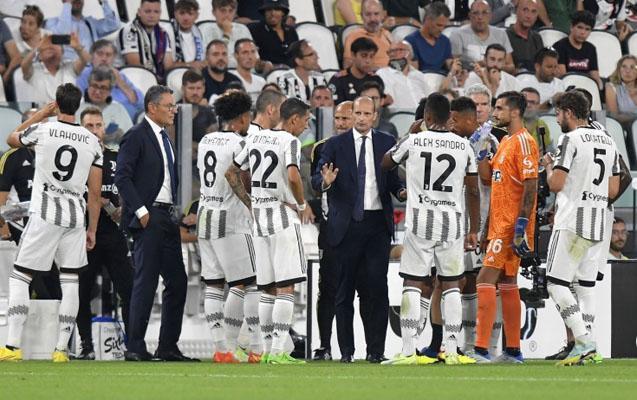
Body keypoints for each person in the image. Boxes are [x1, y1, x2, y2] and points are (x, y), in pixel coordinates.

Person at [0, 84, 103, 362]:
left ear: (56, 104)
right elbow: (95, 193)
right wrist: (92, 229)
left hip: (45, 214)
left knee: (20, 276)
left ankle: (12, 347)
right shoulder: (92, 141)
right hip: (75, 217)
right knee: (70, 281)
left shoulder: (43, 130)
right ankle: (60, 350)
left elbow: (11, 139)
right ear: (78, 106)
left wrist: (40, 115)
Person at [380, 93, 480, 366]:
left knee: (413, 282)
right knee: (451, 284)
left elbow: (386, 163)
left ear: (426, 117)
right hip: (452, 224)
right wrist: (474, 229)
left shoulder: (414, 141)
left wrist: (409, 134)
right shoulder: (464, 146)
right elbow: (473, 190)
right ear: (450, 117)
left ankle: (408, 351)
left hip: (420, 221)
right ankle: (452, 349)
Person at [312, 96, 405, 363]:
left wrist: (400, 191)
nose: (362, 118)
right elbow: (317, 179)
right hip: (345, 226)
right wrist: (325, 182)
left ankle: (376, 351)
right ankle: (346, 352)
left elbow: (392, 179)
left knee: (377, 289)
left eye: (366, 113)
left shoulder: (387, 142)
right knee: (343, 292)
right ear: (352, 115)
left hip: (377, 226)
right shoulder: (334, 145)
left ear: (375, 116)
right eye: (358, 113)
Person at [226, 98, 313, 364]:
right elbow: (293, 176)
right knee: (286, 287)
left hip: (259, 220)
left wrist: (251, 202)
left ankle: (265, 350)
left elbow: (231, 173)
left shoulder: (255, 138)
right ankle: (278, 352)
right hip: (282, 218)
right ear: (294, 119)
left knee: (267, 288)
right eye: (306, 121)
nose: (306, 127)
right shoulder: (290, 141)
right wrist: (301, 204)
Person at [115, 85, 195, 362]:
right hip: (148, 217)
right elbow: (122, 176)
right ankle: (135, 346)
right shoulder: (136, 135)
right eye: (169, 106)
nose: (174, 110)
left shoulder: (165, 137)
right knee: (145, 282)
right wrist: (140, 210)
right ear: (152, 107)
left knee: (178, 281)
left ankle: (167, 346)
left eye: (174, 106)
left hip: (167, 216)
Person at [543, 90, 620, 366]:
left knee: (556, 284)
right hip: (597, 222)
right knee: (585, 287)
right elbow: (612, 189)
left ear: (569, 113)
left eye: (558, 113)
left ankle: (583, 341)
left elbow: (556, 184)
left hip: (571, 221)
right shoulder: (609, 140)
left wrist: (549, 167)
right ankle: (591, 346)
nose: (557, 119)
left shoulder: (570, 139)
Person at [466, 91, 538, 364]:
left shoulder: (525, 142)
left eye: (499, 108)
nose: (494, 113)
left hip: (510, 226)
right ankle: (513, 351)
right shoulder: (506, 141)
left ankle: (480, 349)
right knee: (508, 282)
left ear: (515, 112)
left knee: (484, 279)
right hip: (498, 224)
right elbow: (489, 179)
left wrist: (521, 226)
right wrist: (482, 151)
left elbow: (531, 185)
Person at [197, 91, 261, 363]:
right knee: (252, 281)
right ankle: (257, 347)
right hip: (230, 218)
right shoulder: (240, 143)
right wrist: (251, 204)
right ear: (243, 117)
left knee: (214, 284)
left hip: (205, 215)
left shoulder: (206, 140)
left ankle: (221, 348)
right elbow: (234, 177)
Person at [74, 106, 133, 360]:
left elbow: (129, 189)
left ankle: (133, 343)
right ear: (81, 128)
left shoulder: (116, 157)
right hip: (83, 233)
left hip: (113, 234)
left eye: (98, 125)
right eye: (89, 126)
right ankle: (86, 345)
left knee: (128, 289)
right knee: (81, 292)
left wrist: (123, 209)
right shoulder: (75, 159)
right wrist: (98, 202)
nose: (95, 131)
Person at [0, 112, 62, 302]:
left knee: (53, 290)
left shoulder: (55, 155)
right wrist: (5, 231)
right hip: (19, 229)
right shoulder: (12, 157)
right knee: (30, 287)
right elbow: (1, 198)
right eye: (37, 125)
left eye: (45, 125)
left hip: (47, 228)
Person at [310, 100, 354, 362]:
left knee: (363, 288)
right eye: (338, 118)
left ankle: (367, 348)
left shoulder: (368, 145)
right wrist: (323, 184)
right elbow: (315, 183)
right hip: (331, 227)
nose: (340, 123)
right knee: (327, 288)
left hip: (360, 226)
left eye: (345, 118)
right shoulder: (322, 148)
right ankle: (324, 345)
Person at [76, 40, 144, 120]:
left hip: (131, 119)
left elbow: (140, 103)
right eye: (100, 54)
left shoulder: (119, 75)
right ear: (92, 56)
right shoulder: (85, 74)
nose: (104, 59)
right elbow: (82, 103)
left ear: (114, 58)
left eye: (108, 55)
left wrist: (120, 82)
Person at [20, 32, 89, 104]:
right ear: (39, 56)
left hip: (71, 108)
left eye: (54, 43)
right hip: (44, 110)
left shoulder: (69, 66)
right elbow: (24, 64)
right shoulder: (34, 69)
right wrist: (37, 47)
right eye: (46, 46)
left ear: (62, 52)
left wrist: (78, 47)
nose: (50, 47)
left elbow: (85, 60)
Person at [450, 0, 515, 74]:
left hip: (497, 79)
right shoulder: (458, 34)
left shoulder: (501, 34)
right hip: (469, 78)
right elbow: (453, 65)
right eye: (475, 13)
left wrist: (493, 67)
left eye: (484, 13)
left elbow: (511, 67)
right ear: (470, 16)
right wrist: (476, 65)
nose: (480, 17)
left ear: (490, 16)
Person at [76, 66, 134, 148]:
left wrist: (120, 137)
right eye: (94, 86)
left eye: (103, 88)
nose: (97, 92)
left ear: (110, 91)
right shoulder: (76, 106)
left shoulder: (118, 109)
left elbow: (131, 139)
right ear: (88, 86)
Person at [46, 0, 120, 62]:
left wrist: (103, 2)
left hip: (91, 68)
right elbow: (63, 34)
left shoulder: (90, 23)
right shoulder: (53, 22)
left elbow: (114, 25)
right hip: (69, 69)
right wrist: (67, 4)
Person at [119, 0, 174, 79]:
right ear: (139, 12)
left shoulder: (163, 33)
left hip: (156, 78)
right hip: (132, 78)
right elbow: (135, 66)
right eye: (147, 11)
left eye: (156, 12)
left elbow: (168, 65)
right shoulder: (129, 30)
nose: (152, 15)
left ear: (160, 13)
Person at [376, 40, 432, 112]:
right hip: (399, 115)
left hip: (423, 115)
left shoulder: (419, 75)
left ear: (410, 54)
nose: (393, 54)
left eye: (399, 50)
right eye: (390, 51)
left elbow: (430, 98)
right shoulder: (383, 74)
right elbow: (388, 103)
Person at [553, 11, 602, 90]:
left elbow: (595, 76)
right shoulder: (559, 46)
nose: (583, 32)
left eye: (587, 29)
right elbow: (562, 77)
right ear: (571, 27)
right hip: (566, 90)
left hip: (586, 89)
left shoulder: (591, 48)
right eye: (579, 27)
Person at [329, 37, 385, 104]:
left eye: (371, 56)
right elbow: (335, 107)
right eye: (364, 56)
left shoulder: (376, 80)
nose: (368, 61)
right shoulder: (339, 80)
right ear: (353, 55)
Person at [201, 0, 253, 69]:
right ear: (214, 12)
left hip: (243, 71)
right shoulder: (205, 29)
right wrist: (226, 34)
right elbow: (211, 60)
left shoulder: (243, 29)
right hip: (218, 71)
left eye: (231, 11)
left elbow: (253, 57)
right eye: (223, 10)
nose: (227, 15)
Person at [404, 2, 452, 74]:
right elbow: (413, 74)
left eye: (444, 26)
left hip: (442, 79)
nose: (441, 29)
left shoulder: (445, 41)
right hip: (421, 79)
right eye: (439, 25)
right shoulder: (410, 41)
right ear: (428, 20)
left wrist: (455, 67)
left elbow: (449, 63)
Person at [343, 0, 393, 70]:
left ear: (383, 15)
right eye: (368, 14)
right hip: (372, 75)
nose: (372, 19)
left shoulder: (387, 34)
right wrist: (377, 70)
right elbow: (348, 66)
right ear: (362, 16)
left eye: (376, 14)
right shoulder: (354, 36)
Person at [249, 0, 299, 67]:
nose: (272, 13)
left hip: (292, 71)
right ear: (264, 12)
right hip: (268, 72)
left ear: (283, 12)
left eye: (277, 9)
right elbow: (252, 58)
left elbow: (298, 54)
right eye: (269, 10)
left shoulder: (291, 31)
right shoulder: (255, 31)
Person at [506, 0, 544, 72]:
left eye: (533, 12)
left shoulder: (537, 38)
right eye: (525, 10)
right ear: (516, 11)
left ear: (537, 16)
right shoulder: (505, 36)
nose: (529, 16)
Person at [169, 0, 206, 70]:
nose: (186, 18)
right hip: (175, 74)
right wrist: (190, 65)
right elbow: (167, 66)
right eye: (182, 13)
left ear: (197, 15)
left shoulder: (200, 32)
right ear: (175, 14)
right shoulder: (168, 31)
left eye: (190, 14)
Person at [232, 39, 266, 103]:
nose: (250, 57)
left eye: (253, 52)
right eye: (245, 52)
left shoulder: (261, 81)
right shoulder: (231, 80)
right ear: (236, 55)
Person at [605, 55, 637, 120]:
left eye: (632, 67)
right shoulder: (611, 87)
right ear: (619, 69)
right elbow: (614, 117)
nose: (627, 71)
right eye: (624, 66)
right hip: (621, 125)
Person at [521, 87, 553, 151]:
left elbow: (547, 150)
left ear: (538, 106)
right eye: (524, 101)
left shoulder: (542, 124)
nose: (528, 105)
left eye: (532, 102)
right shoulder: (508, 123)